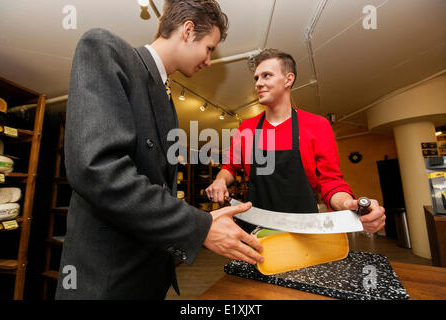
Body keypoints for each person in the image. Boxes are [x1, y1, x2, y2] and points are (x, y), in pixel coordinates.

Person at [56, 0, 263, 300]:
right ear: (188, 31)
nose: (208, 61)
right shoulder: (104, 48)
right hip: (106, 282)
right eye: (209, 48)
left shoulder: (166, 99)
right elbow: (97, 170)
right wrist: (200, 227)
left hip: (148, 278)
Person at [206, 49, 386, 234]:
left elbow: (330, 181)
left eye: (266, 75)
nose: (258, 83)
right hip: (256, 228)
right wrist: (220, 181)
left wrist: (348, 204)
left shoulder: (317, 125)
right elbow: (230, 167)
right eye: (256, 78)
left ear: (288, 80)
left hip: (305, 228)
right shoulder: (246, 128)